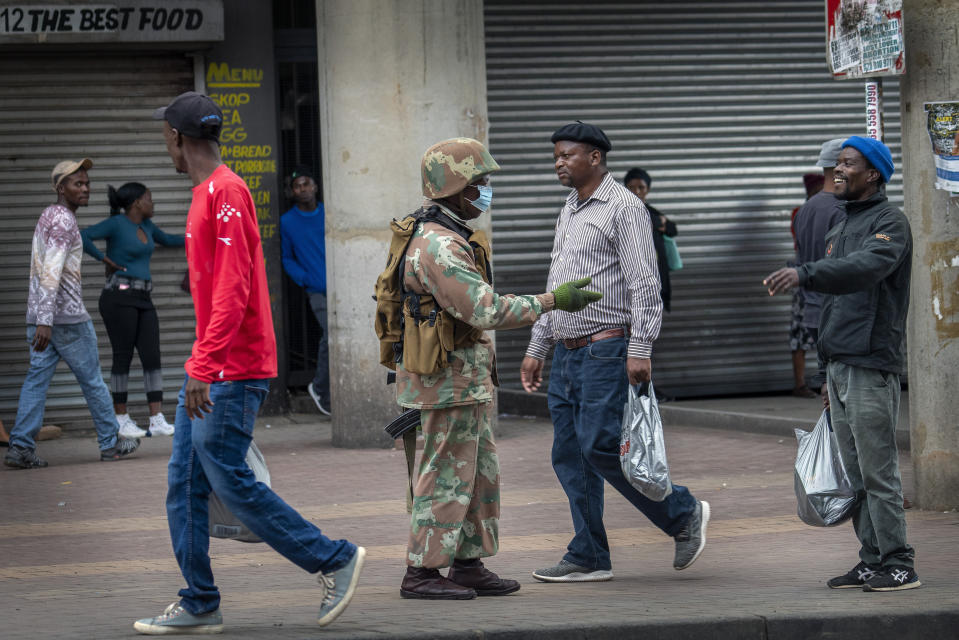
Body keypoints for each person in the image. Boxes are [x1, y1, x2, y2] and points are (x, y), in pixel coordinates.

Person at [134, 92, 365, 635]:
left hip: (232, 370)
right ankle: (200, 602)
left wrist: (203, 366)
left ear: (176, 138)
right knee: (184, 486)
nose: (163, 144)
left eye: (163, 136)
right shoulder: (206, 193)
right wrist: (202, 362)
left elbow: (234, 291)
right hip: (215, 366)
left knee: (232, 482)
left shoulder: (227, 192)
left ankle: (333, 557)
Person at [395, 137, 601, 600]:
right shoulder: (440, 246)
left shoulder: (448, 235)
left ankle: (468, 564)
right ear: (455, 186)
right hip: (446, 386)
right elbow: (484, 310)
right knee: (445, 475)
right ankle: (422, 573)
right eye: (480, 183)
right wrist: (552, 301)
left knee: (476, 475)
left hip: (464, 383)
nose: (486, 191)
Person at [521, 122, 709, 583]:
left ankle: (682, 513)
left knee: (602, 446)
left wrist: (641, 348)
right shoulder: (569, 208)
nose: (559, 163)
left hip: (607, 349)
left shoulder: (625, 208)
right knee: (569, 456)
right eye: (556, 157)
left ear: (596, 158)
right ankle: (588, 556)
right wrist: (538, 344)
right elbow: (556, 286)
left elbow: (645, 283)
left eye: (567, 155)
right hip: (567, 352)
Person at [764, 136, 918, 592]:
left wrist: (805, 272)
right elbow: (834, 306)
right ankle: (871, 559)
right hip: (841, 366)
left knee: (878, 470)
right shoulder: (839, 226)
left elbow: (868, 268)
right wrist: (825, 370)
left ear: (873, 174)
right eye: (837, 162)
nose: (837, 168)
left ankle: (899, 562)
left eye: (848, 163)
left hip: (871, 364)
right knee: (855, 475)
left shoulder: (890, 222)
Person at [3, 159, 140, 469]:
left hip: (41, 317)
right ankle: (111, 442)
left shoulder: (48, 216)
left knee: (36, 381)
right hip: (65, 319)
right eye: (77, 183)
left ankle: (21, 447)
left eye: (86, 183)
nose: (85, 188)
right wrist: (46, 321)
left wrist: (40, 318)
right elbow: (51, 269)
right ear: (59, 188)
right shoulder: (64, 220)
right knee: (92, 379)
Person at [81, 182, 184, 438]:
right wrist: (104, 259)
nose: (153, 202)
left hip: (143, 298)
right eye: (149, 198)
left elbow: (170, 240)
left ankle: (156, 419)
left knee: (152, 355)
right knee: (123, 355)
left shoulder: (147, 226)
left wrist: (202, 235)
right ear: (137, 202)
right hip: (118, 297)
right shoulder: (116, 224)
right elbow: (82, 235)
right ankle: (121, 418)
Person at [791, 139, 847, 394]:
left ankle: (832, 431)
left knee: (830, 380)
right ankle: (839, 432)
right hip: (838, 310)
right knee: (844, 385)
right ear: (841, 166)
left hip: (813, 310)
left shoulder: (805, 210)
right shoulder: (843, 209)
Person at [279, 167, 331, 416]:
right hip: (317, 291)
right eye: (298, 186)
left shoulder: (329, 212)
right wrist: (305, 278)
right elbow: (287, 258)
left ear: (315, 186)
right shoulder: (288, 221)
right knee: (330, 334)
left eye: (306, 184)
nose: (303, 189)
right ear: (292, 191)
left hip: (341, 287)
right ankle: (320, 388)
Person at [787, 172, 826, 398]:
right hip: (804, 274)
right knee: (800, 331)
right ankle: (800, 383)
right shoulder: (800, 213)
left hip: (818, 273)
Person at [623, 167, 678, 312]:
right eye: (632, 187)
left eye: (641, 187)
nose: (637, 191)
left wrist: (664, 224)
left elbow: (673, 229)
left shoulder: (651, 210)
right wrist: (659, 222)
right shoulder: (621, 210)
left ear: (648, 189)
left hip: (655, 276)